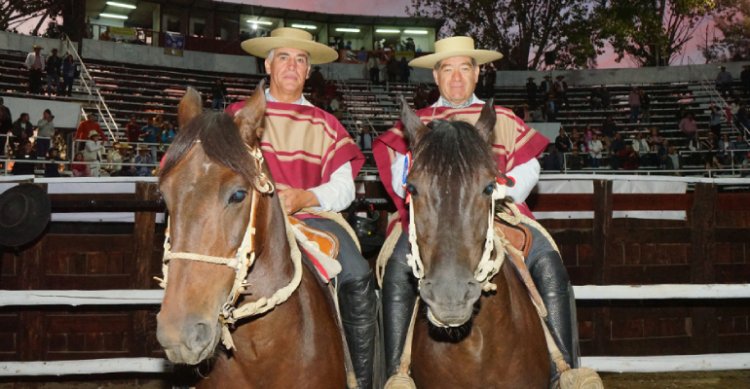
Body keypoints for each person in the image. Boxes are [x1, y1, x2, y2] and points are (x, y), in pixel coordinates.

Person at [372, 36, 577, 383]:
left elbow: (530, 169)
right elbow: (398, 175)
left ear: (477, 72)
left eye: (464, 68)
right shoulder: (419, 124)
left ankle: (563, 369)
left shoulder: (504, 119)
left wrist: (493, 190)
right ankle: (397, 373)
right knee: (395, 268)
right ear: (435, 76)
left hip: (498, 212)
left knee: (547, 259)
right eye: (447, 69)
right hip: (432, 218)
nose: (455, 77)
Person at [234, 27, 375, 389]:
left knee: (358, 274)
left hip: (313, 220)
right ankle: (197, 365)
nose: (292, 66)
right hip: (248, 222)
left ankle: (359, 377)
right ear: (267, 64)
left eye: (301, 60)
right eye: (284, 57)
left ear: (309, 71)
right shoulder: (236, 116)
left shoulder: (328, 124)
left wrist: (303, 198)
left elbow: (344, 189)